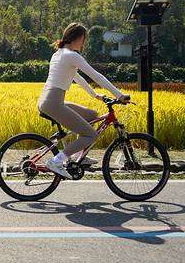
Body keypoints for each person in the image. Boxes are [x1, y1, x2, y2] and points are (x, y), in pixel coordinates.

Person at [38, 22, 129, 178]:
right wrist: (119, 95)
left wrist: (95, 95)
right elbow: (97, 77)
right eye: (83, 39)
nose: (84, 43)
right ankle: (56, 161)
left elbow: (77, 77)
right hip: (54, 103)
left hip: (48, 101)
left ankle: (80, 155)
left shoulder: (59, 54)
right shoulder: (72, 56)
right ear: (77, 38)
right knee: (91, 135)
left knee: (91, 115)